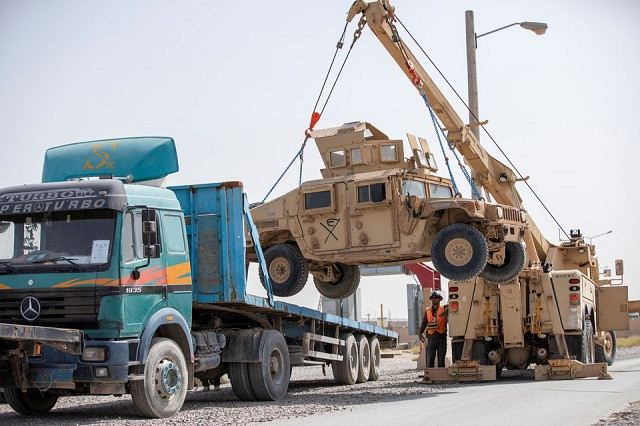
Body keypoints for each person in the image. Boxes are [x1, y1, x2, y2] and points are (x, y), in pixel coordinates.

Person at [419, 291, 448, 368]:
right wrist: (420, 333)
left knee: (441, 360)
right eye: (432, 298)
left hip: (441, 338)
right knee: (430, 359)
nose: (434, 299)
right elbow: (424, 322)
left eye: (436, 298)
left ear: (439, 299)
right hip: (431, 339)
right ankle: (431, 376)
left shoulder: (444, 308)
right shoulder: (427, 310)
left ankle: (441, 377)